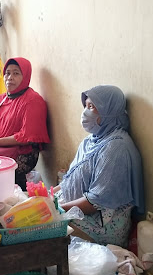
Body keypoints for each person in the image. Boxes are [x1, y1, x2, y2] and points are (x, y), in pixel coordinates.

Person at [52, 85, 144, 247]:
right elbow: (69, 179)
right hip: (76, 208)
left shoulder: (116, 148)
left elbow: (95, 202)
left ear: (108, 111)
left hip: (101, 225)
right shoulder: (91, 140)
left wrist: (55, 212)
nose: (85, 113)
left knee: (42, 228)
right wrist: (48, 196)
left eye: (91, 107)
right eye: (85, 106)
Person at [0, 57, 50, 189]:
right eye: (7, 73)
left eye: (16, 73)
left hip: (23, 152)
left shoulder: (33, 101)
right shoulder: (1, 99)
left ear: (26, 76)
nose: (10, 78)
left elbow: (26, 137)